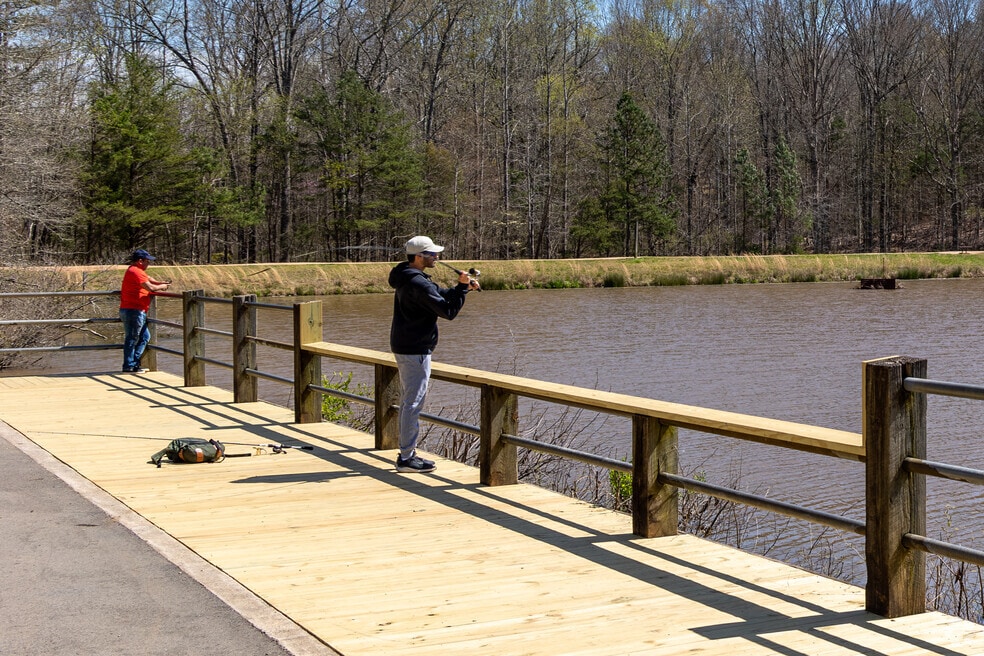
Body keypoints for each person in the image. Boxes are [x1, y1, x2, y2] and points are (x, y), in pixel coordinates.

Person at [389, 236, 480, 473]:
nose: (436, 257)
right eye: (432, 254)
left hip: (407, 346)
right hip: (415, 349)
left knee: (411, 401)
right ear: (419, 257)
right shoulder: (418, 284)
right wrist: (461, 288)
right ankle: (406, 458)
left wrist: (463, 289)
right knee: (413, 403)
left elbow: (440, 296)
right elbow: (448, 311)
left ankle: (408, 455)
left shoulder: (408, 277)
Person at [119, 249, 171, 373]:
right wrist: (162, 287)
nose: (149, 264)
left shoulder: (134, 270)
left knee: (144, 337)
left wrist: (160, 282)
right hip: (134, 310)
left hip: (134, 310)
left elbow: (149, 279)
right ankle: (129, 366)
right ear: (140, 261)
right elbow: (150, 287)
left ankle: (134, 363)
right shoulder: (136, 271)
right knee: (132, 338)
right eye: (148, 261)